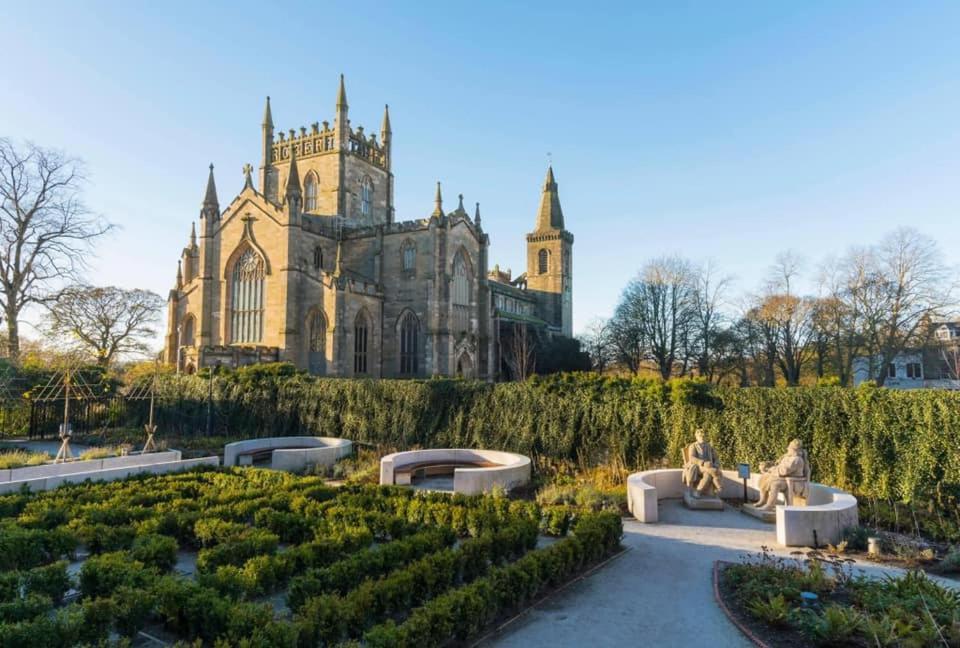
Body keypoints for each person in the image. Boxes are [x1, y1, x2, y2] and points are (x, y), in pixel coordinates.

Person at [755, 439, 808, 510]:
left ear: (794, 450)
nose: (787, 449)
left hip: (795, 482)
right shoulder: (788, 457)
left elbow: (784, 471)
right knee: (764, 477)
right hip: (785, 478)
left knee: (775, 484)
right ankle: (763, 500)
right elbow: (779, 466)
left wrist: (772, 469)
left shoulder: (796, 459)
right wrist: (769, 469)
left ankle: (770, 505)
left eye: (789, 448)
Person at [682, 429, 723, 498]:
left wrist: (716, 464)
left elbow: (716, 458)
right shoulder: (693, 446)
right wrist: (703, 463)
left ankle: (698, 492)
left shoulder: (709, 446)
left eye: (703, 436)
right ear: (696, 437)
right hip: (698, 466)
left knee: (708, 475)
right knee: (714, 471)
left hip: (709, 466)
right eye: (700, 436)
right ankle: (719, 486)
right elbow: (692, 458)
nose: (702, 437)